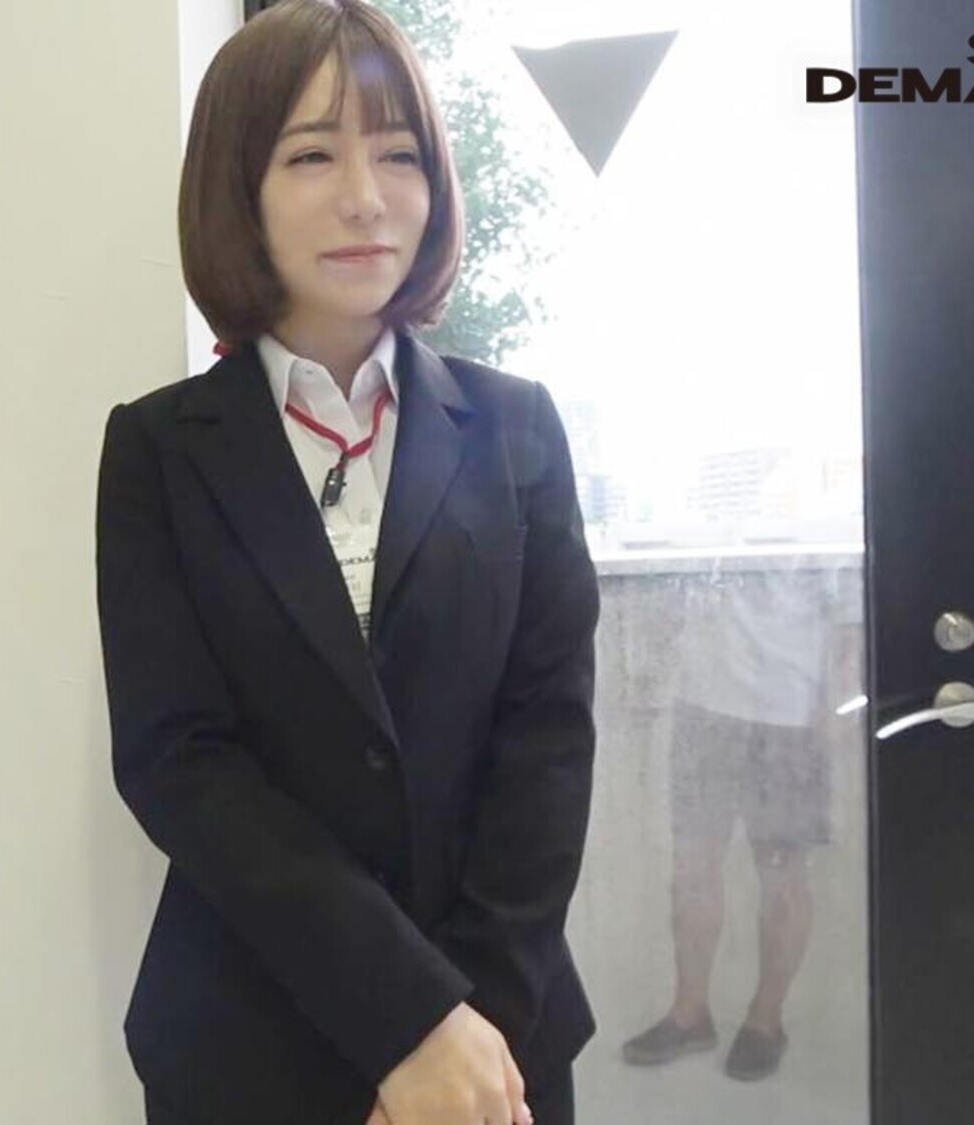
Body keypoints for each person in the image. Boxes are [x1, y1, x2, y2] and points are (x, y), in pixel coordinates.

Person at [94, 3, 599, 1123]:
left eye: (399, 154)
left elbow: (548, 740)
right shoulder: (159, 447)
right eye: (313, 154)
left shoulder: (515, 427)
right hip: (247, 1037)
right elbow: (179, 759)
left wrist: (468, 1033)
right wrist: (409, 1022)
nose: (366, 196)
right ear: (238, 187)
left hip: (497, 1041)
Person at [621, 563, 856, 1081]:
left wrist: (837, 705)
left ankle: (765, 1020)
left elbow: (848, 612)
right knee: (692, 869)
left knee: (782, 873)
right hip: (703, 702)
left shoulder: (818, 511)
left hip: (790, 709)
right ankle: (690, 1013)